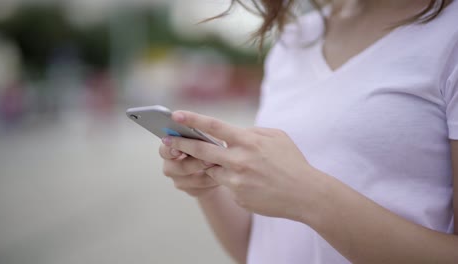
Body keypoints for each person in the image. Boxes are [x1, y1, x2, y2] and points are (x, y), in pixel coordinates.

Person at [159, 0, 458, 263]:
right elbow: (259, 250)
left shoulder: (449, 34)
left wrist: (307, 195)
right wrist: (210, 183)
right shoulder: (294, 39)